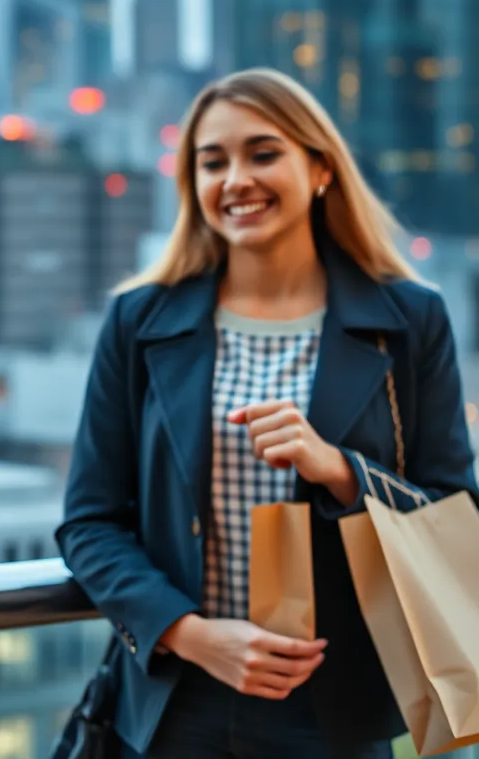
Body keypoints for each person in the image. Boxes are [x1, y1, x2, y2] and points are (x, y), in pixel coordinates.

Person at [57, 68, 479, 758]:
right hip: (176, 699)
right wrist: (189, 634)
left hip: (336, 707)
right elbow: (90, 522)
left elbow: (457, 510)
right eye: (211, 161)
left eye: (262, 153)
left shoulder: (408, 318)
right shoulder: (141, 320)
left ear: (319, 169)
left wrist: (341, 472)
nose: (235, 180)